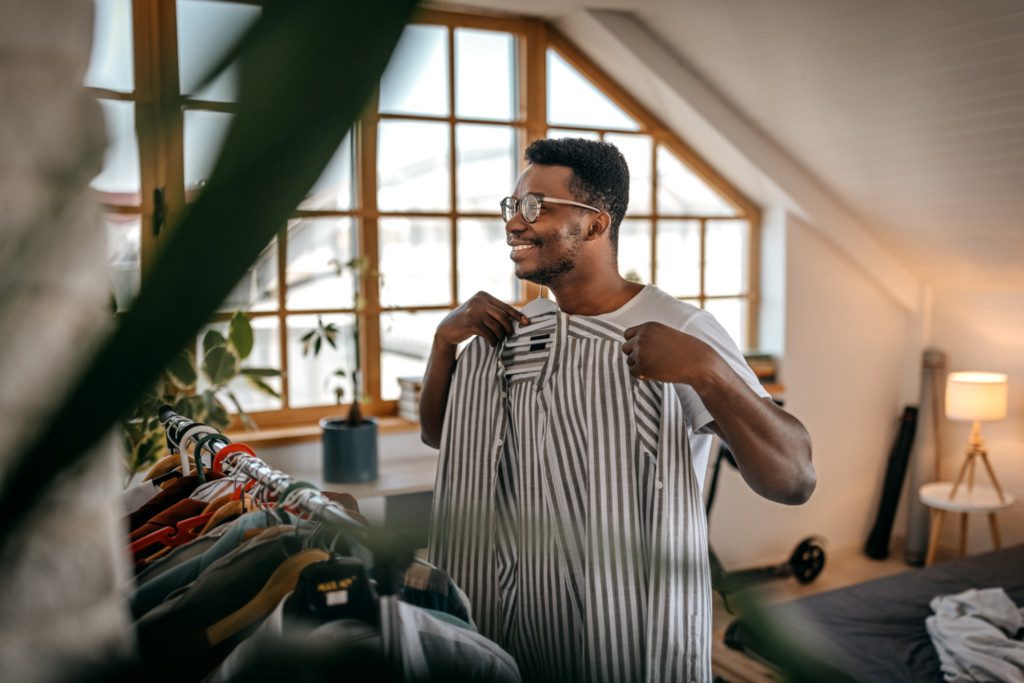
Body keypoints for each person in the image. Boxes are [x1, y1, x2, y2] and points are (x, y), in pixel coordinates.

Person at [420, 137, 815, 682]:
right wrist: (444, 343)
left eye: (536, 206)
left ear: (596, 225)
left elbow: (794, 480)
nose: (514, 223)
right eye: (513, 206)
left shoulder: (680, 328)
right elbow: (446, 437)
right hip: (525, 604)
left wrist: (709, 370)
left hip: (631, 615)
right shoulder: (520, 332)